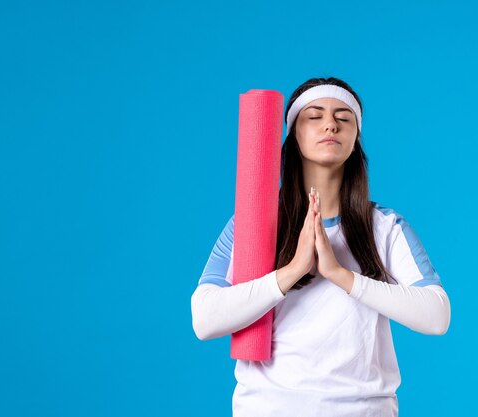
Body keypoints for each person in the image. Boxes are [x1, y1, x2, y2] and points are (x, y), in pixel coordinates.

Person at [190, 77, 451, 417]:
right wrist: (292, 270)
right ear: (293, 134)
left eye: (344, 117)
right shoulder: (252, 224)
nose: (330, 124)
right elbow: (204, 320)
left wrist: (341, 275)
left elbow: (437, 316)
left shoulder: (385, 228)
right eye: (314, 116)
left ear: (355, 138)